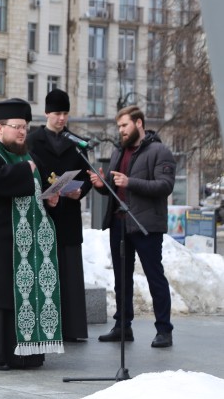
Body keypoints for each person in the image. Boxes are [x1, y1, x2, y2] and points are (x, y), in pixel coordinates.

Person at [0, 98, 63, 370]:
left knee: (23, 297)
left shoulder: (28, 156)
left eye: (25, 127)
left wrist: (50, 199)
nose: (22, 132)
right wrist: (23, 171)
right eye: (17, 127)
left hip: (25, 244)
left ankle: (27, 354)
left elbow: (38, 189)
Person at [89, 105, 176, 348]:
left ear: (139, 124)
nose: (121, 130)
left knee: (154, 277)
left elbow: (165, 186)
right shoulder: (119, 152)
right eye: (119, 126)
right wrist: (101, 184)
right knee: (122, 279)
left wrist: (130, 182)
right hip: (119, 224)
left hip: (146, 225)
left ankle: (164, 330)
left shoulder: (159, 151)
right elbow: (115, 188)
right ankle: (122, 327)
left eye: (125, 125)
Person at [27, 89, 92, 342]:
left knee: (69, 271)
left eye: (65, 113)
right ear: (46, 113)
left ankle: (72, 328)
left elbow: (86, 176)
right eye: (57, 113)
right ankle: (44, 325)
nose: (62, 118)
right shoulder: (32, 141)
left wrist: (80, 191)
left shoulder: (77, 142)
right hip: (43, 214)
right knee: (44, 269)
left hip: (69, 215)